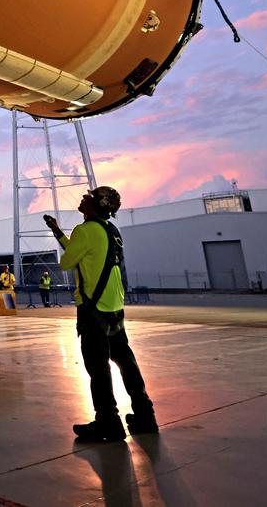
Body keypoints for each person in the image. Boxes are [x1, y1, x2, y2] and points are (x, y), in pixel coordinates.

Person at [46, 186, 156, 442]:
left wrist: (64, 237)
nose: (83, 198)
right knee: (126, 362)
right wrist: (57, 232)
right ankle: (145, 415)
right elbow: (83, 253)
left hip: (93, 310)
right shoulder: (112, 231)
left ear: (96, 205)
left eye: (89, 197)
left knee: (98, 368)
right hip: (115, 308)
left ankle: (108, 422)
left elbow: (67, 262)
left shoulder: (84, 231)